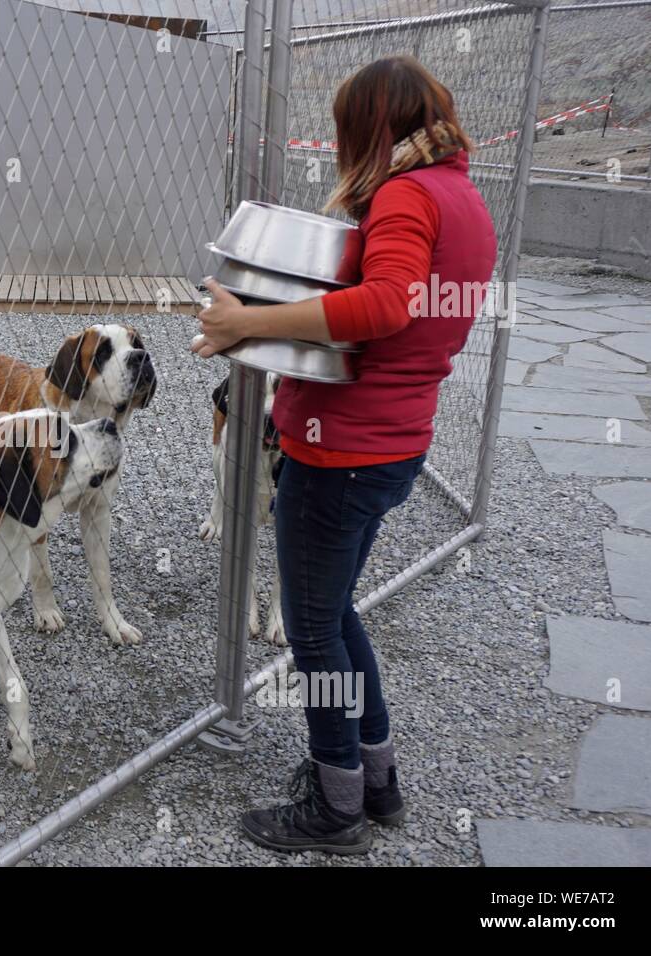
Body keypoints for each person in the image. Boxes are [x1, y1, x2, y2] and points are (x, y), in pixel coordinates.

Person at [192, 55, 497, 854]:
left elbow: (383, 305)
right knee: (336, 613)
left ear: (371, 125)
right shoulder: (461, 195)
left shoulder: (403, 196)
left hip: (344, 450)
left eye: (344, 129)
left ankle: (335, 806)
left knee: (312, 632)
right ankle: (377, 779)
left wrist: (247, 325)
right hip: (394, 442)